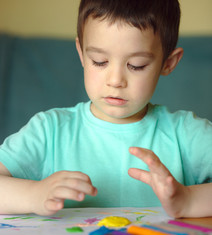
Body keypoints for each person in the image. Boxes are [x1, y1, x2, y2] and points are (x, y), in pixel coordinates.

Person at [0, 0, 211, 218]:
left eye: (136, 65)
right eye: (100, 61)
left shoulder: (186, 133)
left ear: (168, 62)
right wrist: (34, 194)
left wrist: (188, 200)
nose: (115, 80)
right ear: (81, 53)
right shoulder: (49, 131)